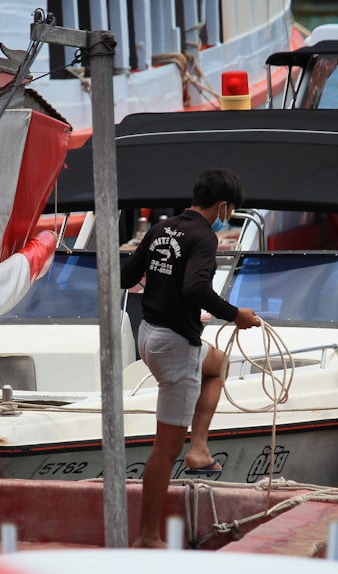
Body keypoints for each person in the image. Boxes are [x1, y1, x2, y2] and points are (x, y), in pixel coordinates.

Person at [120, 167, 260, 549]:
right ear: (223, 205)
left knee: (217, 365)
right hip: (176, 346)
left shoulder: (162, 226)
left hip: (148, 334)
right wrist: (237, 316)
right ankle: (147, 536)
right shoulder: (203, 238)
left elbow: (126, 275)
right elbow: (196, 287)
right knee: (164, 450)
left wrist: (164, 288)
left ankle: (199, 449)